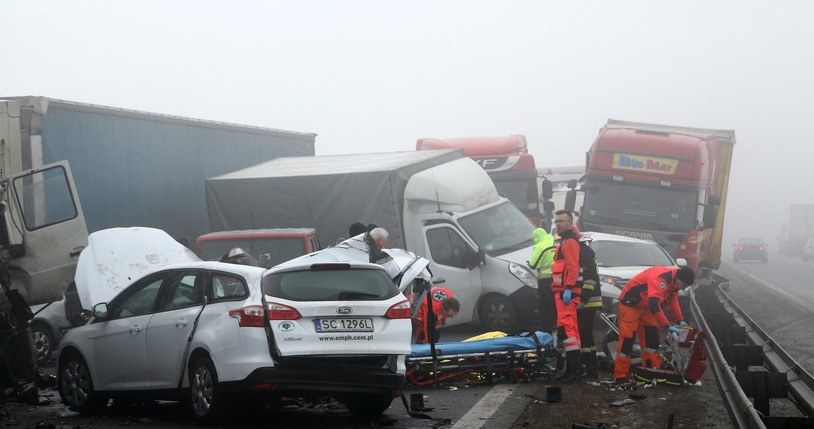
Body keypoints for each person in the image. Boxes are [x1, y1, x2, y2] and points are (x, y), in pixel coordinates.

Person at [613, 265, 695, 384]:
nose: (682, 288)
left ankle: (651, 370)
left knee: (651, 339)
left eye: (685, 287)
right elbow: (654, 304)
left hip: (645, 307)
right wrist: (667, 325)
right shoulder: (662, 278)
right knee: (627, 340)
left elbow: (673, 301)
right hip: (630, 304)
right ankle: (620, 375)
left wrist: (680, 320)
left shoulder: (674, 284)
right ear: (678, 278)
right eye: (683, 285)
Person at [551, 210, 585, 383]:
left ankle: (575, 369)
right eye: (556, 221)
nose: (558, 224)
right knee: (567, 330)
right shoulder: (565, 241)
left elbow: (572, 267)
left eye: (561, 221)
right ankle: (572, 369)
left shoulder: (570, 242)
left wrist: (569, 289)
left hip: (566, 293)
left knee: (570, 331)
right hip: (561, 293)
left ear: (570, 224)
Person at [575, 234, 602, 379]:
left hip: (588, 300)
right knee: (586, 334)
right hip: (590, 299)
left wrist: (583, 299)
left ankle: (590, 369)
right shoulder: (588, 252)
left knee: (584, 334)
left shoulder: (584, 252)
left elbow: (590, 278)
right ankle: (589, 368)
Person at [528, 228, 556, 335]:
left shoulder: (540, 246)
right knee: (556, 306)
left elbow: (533, 264)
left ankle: (547, 333)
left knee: (545, 309)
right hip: (559, 279)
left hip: (545, 281)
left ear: (536, 238)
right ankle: (558, 329)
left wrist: (529, 262)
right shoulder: (554, 241)